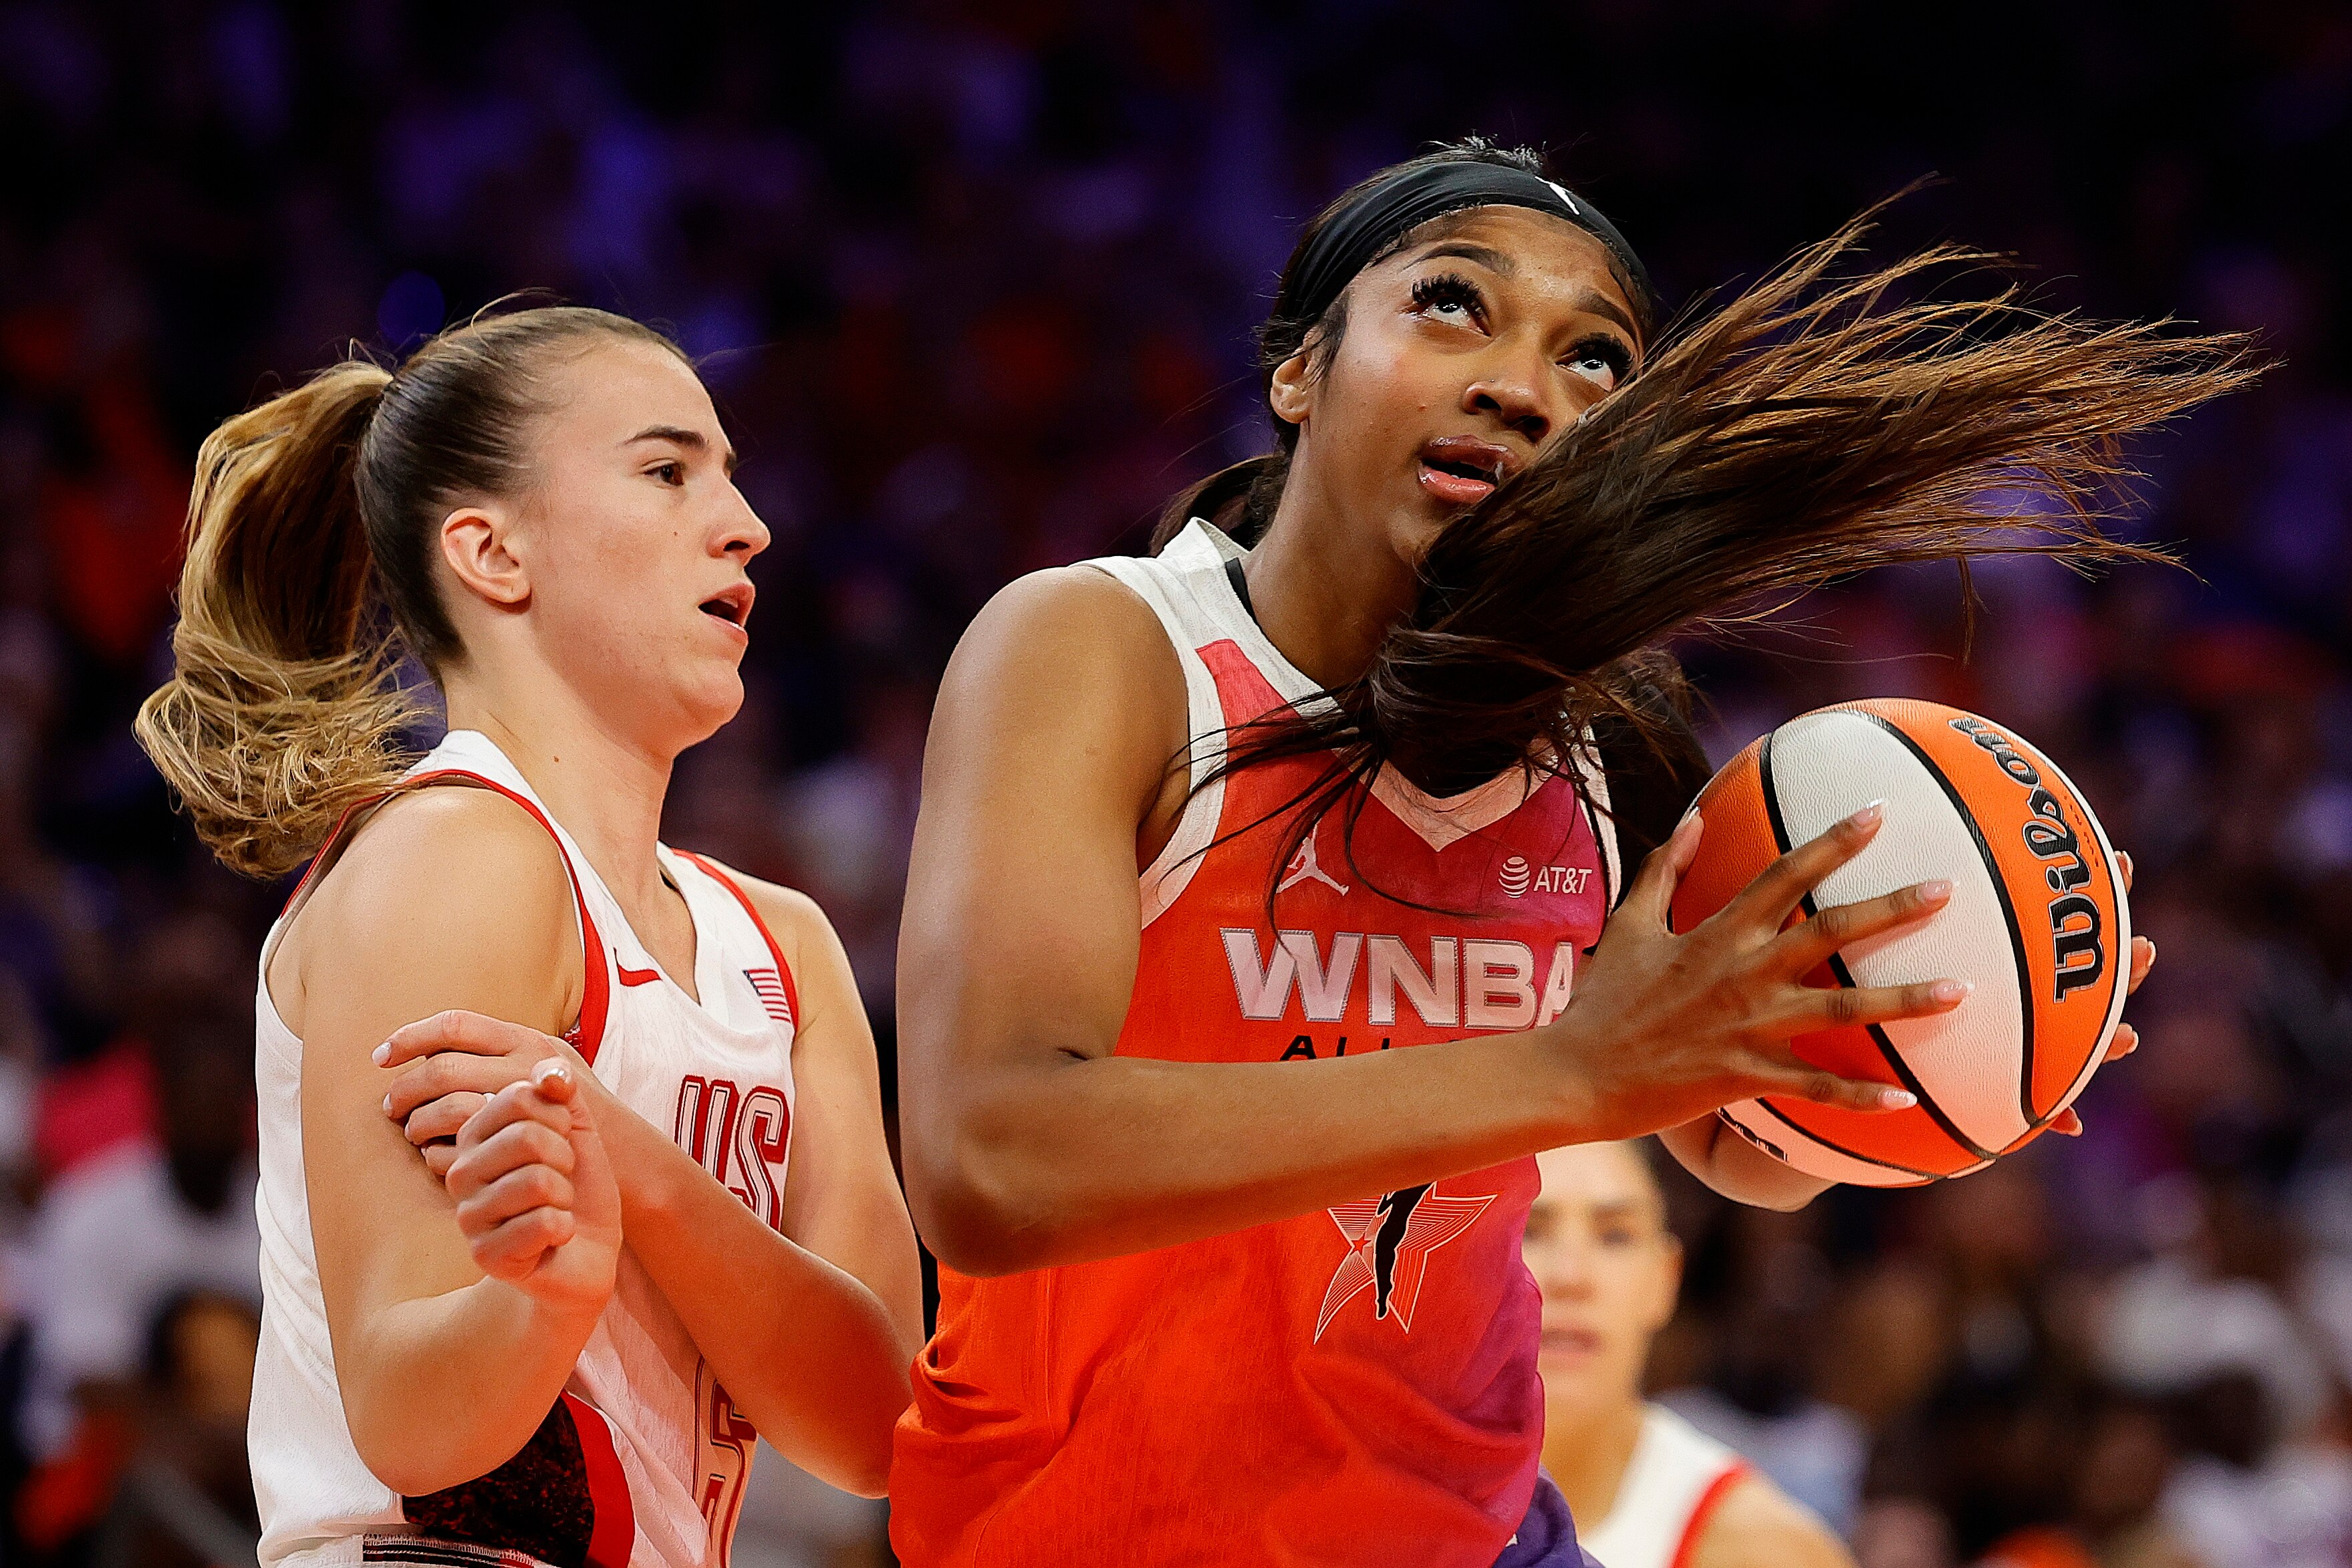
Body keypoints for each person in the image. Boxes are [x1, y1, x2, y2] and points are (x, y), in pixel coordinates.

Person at [887, 138, 2217, 1567]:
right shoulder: (1107, 649)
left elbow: (1727, 1137)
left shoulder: (1602, 738)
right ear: (1297, 370)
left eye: (1593, 361)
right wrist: (1563, 1072)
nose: (1521, 386)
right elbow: (990, 1162)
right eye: (1452, 302)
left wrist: (1939, 1049)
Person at [133, 306, 922, 1568]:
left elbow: (877, 1427)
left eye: (727, 471)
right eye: (667, 471)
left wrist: (643, 1180)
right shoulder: (455, 854)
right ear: (492, 553)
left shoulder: (786, 943)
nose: (746, 522)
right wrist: (546, 1293)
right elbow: (414, 1426)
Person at [1525, 1140, 1853, 1568]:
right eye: (1527, 1231)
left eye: (1615, 1236)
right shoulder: (1408, 1500)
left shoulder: (1762, 1549)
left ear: (1665, 1279)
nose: (1570, 1276)